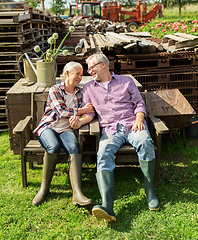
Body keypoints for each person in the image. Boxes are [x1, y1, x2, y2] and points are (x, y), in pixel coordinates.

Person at [69, 53, 160, 222]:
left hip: (132, 124)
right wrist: (79, 122)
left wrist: (139, 119)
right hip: (110, 130)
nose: (89, 71)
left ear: (103, 65)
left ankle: (150, 191)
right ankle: (107, 206)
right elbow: (89, 112)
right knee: (103, 154)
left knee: (145, 142)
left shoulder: (126, 81)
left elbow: (139, 104)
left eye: (92, 67)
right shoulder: (89, 88)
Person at [32, 61, 94, 207]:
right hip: (49, 126)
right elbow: (61, 111)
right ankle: (44, 189)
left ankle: (77, 193)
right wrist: (81, 111)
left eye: (81, 74)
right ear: (67, 73)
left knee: (73, 147)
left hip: (67, 129)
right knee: (52, 146)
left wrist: (79, 119)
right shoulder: (55, 89)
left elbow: (91, 110)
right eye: (77, 73)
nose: (80, 77)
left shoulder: (80, 92)